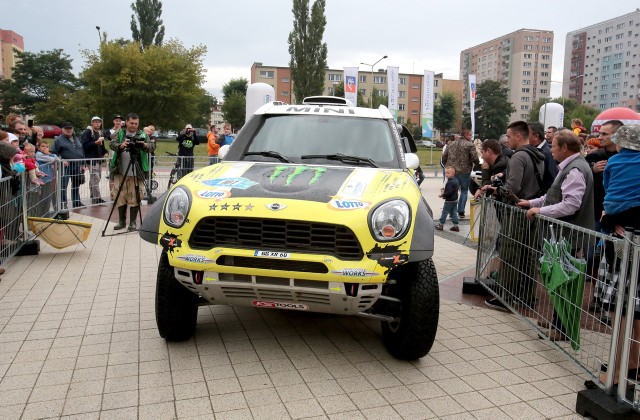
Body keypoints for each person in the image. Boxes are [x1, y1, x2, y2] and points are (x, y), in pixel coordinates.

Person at [518, 129, 594, 341]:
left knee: (564, 281)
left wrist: (540, 211)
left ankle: (561, 328)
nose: (550, 149)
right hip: (562, 234)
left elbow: (571, 204)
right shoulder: (569, 167)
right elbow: (553, 195)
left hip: (568, 235)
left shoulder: (575, 169)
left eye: (553, 146)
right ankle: (557, 320)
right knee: (558, 279)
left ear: (564, 148)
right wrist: (532, 203)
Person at [485, 121, 545, 312]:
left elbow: (513, 187)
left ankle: (507, 297)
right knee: (528, 256)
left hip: (518, 211)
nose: (507, 140)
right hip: (531, 209)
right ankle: (526, 296)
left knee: (511, 254)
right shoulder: (538, 155)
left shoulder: (519, 156)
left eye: (509, 136)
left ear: (518, 136)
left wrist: (496, 190)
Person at [597, 124, 640, 385]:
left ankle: (617, 372)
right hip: (630, 231)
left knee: (621, 306)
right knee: (635, 305)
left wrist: (611, 218)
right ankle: (632, 362)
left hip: (622, 236)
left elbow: (608, 187)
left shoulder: (613, 161)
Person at [109, 113, 154, 231]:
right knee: (120, 196)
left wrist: (144, 144)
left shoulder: (143, 134)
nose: (134, 125)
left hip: (137, 172)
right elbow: (111, 143)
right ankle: (121, 221)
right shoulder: (120, 133)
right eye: (131, 123)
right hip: (121, 171)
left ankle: (133, 223)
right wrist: (121, 145)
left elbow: (152, 147)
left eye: (136, 124)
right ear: (127, 122)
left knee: (136, 196)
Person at [585, 119, 622, 231]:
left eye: (604, 134)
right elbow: (578, 178)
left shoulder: (626, 159)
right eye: (599, 133)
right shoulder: (594, 156)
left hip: (618, 216)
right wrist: (592, 170)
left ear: (617, 136)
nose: (599, 137)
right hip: (593, 213)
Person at [442, 128, 479, 219]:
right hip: (464, 171)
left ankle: (451, 212)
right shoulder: (470, 145)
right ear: (466, 135)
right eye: (470, 135)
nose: (471, 137)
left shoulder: (451, 144)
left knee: (452, 190)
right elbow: (474, 158)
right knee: (464, 191)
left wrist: (446, 166)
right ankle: (461, 211)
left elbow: (444, 156)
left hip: (452, 171)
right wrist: (478, 163)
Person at [50, 121, 86, 209]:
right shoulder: (58, 140)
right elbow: (53, 153)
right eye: (66, 129)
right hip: (66, 166)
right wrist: (61, 160)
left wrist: (83, 164)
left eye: (70, 128)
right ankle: (63, 203)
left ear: (73, 129)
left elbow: (82, 151)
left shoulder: (76, 138)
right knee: (63, 185)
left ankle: (76, 201)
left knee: (76, 184)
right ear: (62, 130)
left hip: (77, 165)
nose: (69, 130)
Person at [81, 116, 108, 204]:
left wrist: (105, 152)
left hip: (98, 159)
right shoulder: (88, 132)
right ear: (92, 123)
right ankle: (97, 198)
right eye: (95, 122)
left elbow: (102, 145)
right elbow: (84, 145)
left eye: (99, 122)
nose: (97, 123)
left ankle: (93, 195)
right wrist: (95, 143)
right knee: (95, 178)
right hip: (91, 159)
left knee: (96, 177)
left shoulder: (99, 133)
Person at [529, 122, 559, 193]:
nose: (524, 136)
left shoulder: (546, 152)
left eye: (527, 134)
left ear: (536, 137)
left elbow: (552, 177)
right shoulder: (537, 149)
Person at [434, 166, 460, 232]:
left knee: (444, 212)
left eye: (448, 173)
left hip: (449, 201)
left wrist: (443, 195)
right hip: (455, 200)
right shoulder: (455, 180)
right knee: (454, 212)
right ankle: (455, 225)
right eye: (445, 173)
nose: (446, 174)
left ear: (452, 174)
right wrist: (445, 190)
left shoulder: (450, 182)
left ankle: (441, 225)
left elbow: (449, 192)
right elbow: (453, 189)